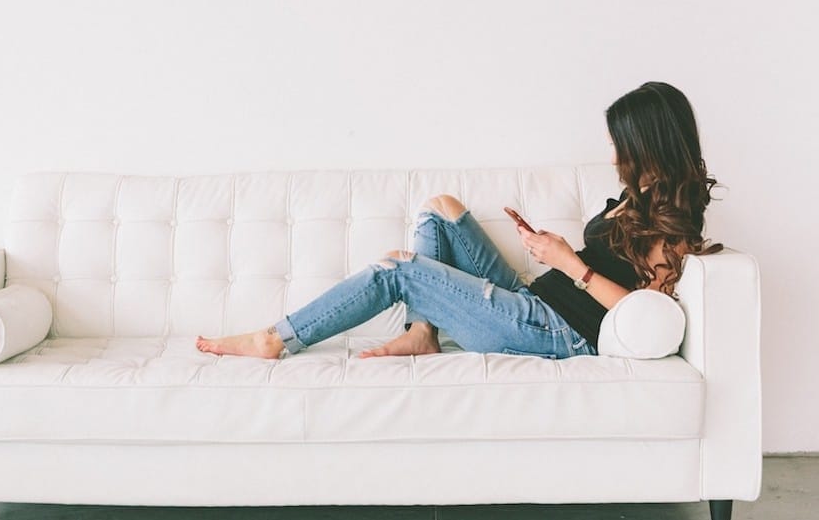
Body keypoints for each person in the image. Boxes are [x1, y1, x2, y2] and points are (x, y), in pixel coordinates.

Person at [196, 81, 723, 360]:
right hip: (537, 297)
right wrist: (547, 250)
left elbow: (641, 313)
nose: (611, 154)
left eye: (619, 143)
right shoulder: (637, 194)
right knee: (441, 207)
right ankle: (423, 332)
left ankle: (275, 339)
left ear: (646, 143)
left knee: (396, 270)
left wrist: (572, 264)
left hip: (560, 331)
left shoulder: (673, 224)